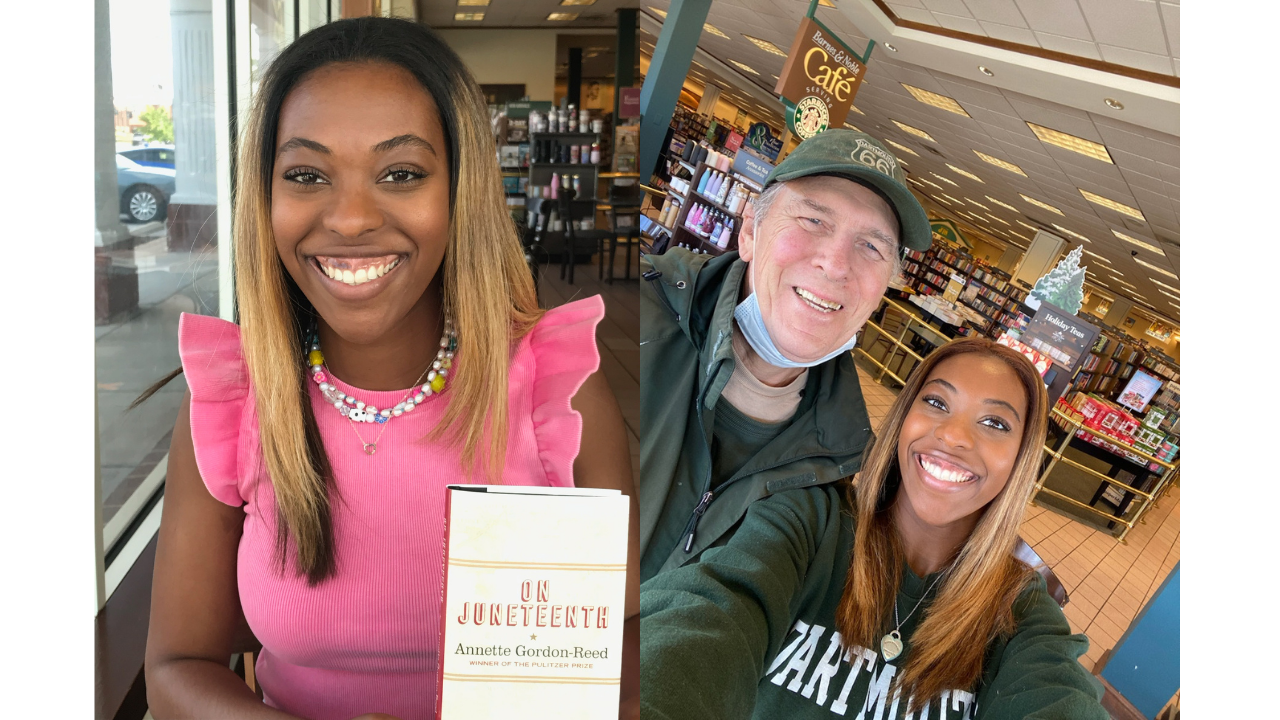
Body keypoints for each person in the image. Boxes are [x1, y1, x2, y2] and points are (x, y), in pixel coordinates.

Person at [142, 18, 639, 720]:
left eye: (401, 173)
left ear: (459, 191)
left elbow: (625, 648)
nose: (349, 218)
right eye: (307, 175)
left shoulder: (557, 393)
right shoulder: (235, 398)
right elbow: (175, 666)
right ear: (266, 197)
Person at [639, 337, 1108, 719]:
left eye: (993, 422)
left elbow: (1056, 694)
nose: (954, 436)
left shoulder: (1022, 609)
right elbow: (708, 620)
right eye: (937, 402)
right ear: (904, 417)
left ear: (1021, 460)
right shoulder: (810, 522)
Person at [639, 129, 932, 581]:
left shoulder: (844, 466)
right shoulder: (620, 316)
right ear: (751, 231)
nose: (835, 264)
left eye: (872, 246)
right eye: (813, 220)